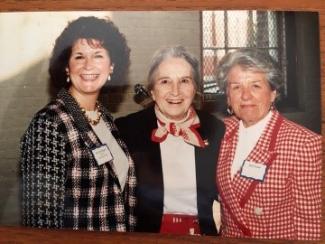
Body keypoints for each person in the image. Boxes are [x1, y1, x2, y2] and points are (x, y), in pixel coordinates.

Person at [20, 16, 136, 231]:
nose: (88, 65)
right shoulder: (49, 123)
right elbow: (40, 223)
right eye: (79, 56)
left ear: (112, 66)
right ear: (66, 67)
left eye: (98, 55)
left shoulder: (105, 118)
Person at [115, 46, 225, 236]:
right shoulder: (127, 129)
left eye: (184, 81)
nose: (175, 91)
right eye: (165, 81)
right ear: (152, 91)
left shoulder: (215, 129)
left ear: (195, 89)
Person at [215, 48, 322, 240]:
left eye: (255, 86)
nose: (245, 96)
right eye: (236, 87)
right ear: (228, 96)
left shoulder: (305, 145)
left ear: (273, 93)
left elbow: (310, 225)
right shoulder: (220, 132)